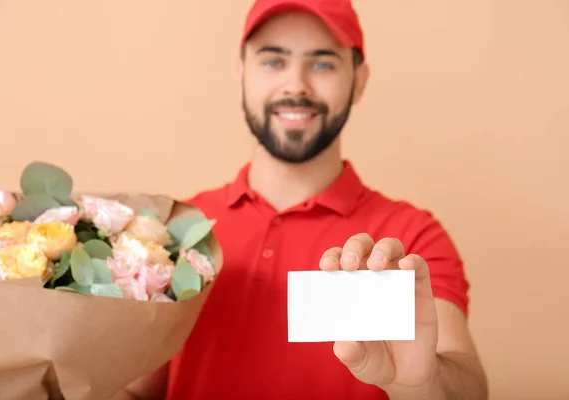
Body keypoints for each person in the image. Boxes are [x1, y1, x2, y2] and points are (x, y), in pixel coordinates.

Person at [115, 0, 488, 398]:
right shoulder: (177, 228)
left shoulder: (411, 239)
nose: (296, 85)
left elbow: (468, 387)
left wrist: (423, 380)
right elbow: (138, 391)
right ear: (241, 73)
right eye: (273, 61)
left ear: (359, 81)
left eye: (323, 63)